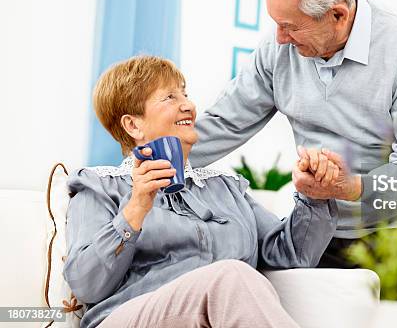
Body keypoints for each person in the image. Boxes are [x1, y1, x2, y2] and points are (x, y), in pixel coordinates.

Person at [190, 0, 397, 268]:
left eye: (290, 26)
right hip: (326, 229)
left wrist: (351, 187)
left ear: (338, 15)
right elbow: (224, 122)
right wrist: (145, 164)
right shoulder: (278, 52)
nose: (279, 38)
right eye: (276, 23)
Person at [64, 56, 338, 328]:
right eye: (170, 97)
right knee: (230, 276)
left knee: (230, 278)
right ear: (133, 125)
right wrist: (135, 209)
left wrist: (314, 195)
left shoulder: (225, 187)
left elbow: (290, 255)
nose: (189, 106)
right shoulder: (100, 186)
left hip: (216, 312)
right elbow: (86, 284)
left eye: (185, 94)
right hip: (128, 317)